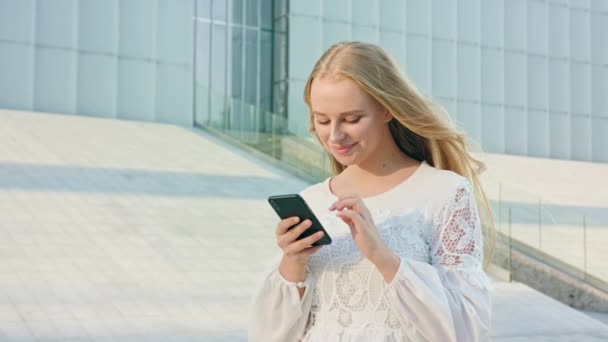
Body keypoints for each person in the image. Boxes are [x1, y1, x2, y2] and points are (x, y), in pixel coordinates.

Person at [248, 41, 495, 342]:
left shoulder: (445, 193)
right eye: (322, 120)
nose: (335, 135)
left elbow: (465, 329)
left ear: (387, 109)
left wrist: (381, 255)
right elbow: (272, 335)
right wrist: (293, 262)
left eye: (352, 119)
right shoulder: (313, 201)